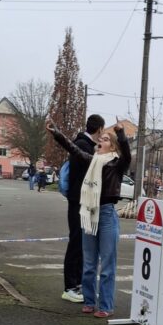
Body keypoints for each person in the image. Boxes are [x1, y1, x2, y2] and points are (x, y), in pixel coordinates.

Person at [48, 120, 131, 317]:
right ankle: (89, 300)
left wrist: (121, 134)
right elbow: (74, 149)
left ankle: (105, 306)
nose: (99, 141)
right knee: (89, 263)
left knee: (107, 264)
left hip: (107, 215)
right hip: (89, 213)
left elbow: (127, 154)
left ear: (112, 145)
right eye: (99, 139)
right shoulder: (91, 160)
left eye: (104, 139)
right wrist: (57, 133)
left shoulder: (117, 164)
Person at [61, 114, 105, 303]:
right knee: (76, 242)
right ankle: (70, 286)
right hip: (79, 200)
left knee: (80, 243)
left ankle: (77, 284)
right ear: (100, 129)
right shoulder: (84, 145)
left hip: (79, 200)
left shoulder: (83, 144)